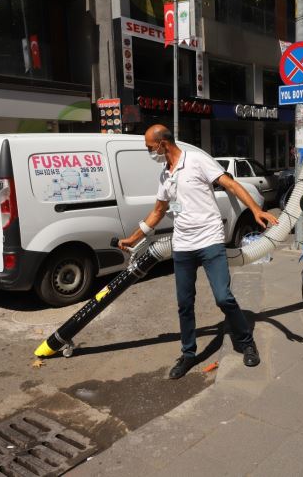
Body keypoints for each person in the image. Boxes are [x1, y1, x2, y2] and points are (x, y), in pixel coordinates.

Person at [118, 125, 279, 379]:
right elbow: (158, 211)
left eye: (150, 147)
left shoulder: (196, 160)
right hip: (183, 245)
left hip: (210, 240)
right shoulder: (164, 175)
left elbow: (231, 184)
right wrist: (133, 238)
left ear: (162, 143)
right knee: (184, 303)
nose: (150, 152)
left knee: (223, 297)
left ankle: (246, 343)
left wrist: (255, 209)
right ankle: (188, 354)